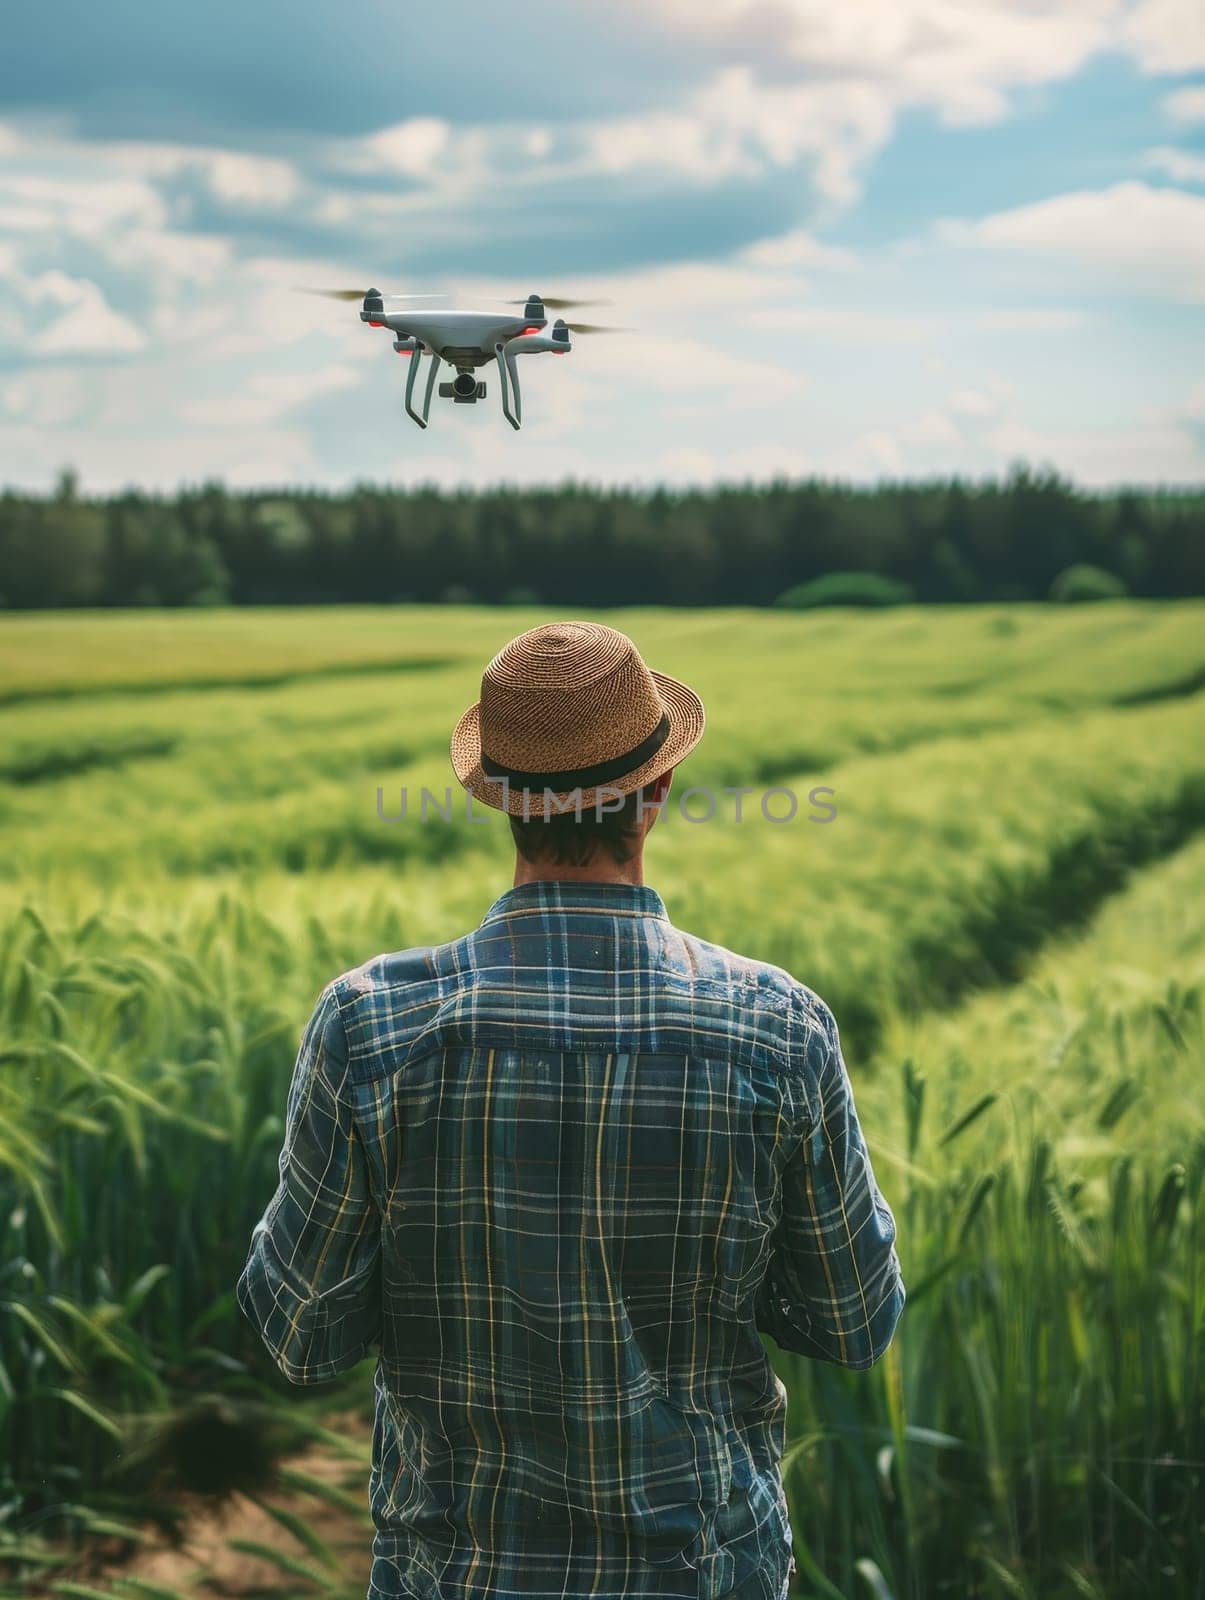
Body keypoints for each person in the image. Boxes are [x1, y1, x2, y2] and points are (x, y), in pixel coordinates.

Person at [236, 620, 905, 1600]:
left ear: (498, 800)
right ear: (658, 791)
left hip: (453, 1576)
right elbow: (853, 1317)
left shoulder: (366, 1027)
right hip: (702, 1572)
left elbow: (298, 1338)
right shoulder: (775, 1028)